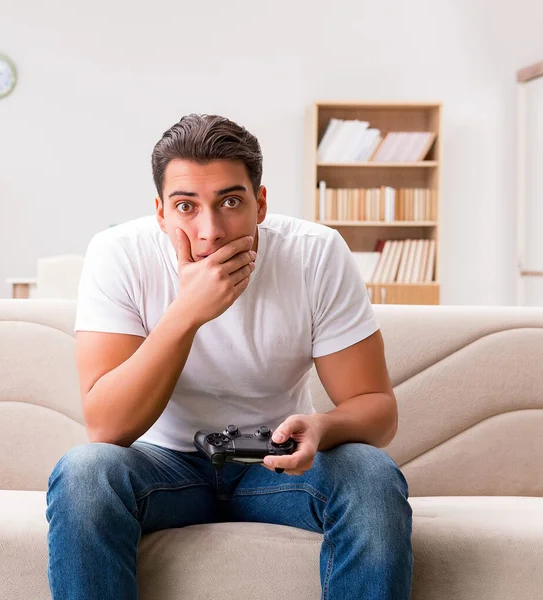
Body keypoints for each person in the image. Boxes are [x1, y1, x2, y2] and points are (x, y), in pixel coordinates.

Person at [46, 113, 413, 600]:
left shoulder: (315, 253)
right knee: (84, 474)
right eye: (186, 206)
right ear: (161, 213)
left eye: (230, 201)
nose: (211, 230)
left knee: (372, 475)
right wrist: (185, 315)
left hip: (277, 463)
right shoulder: (119, 254)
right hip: (162, 465)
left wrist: (324, 427)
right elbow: (107, 428)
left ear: (260, 203)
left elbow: (377, 408)